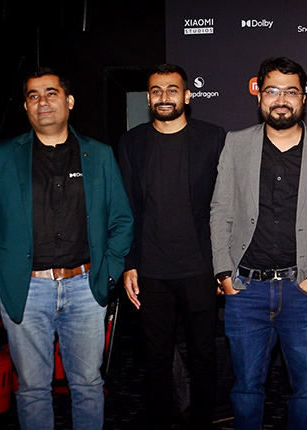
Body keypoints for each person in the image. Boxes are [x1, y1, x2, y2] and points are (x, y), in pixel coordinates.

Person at [0, 67, 133, 430]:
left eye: (51, 93)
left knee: (88, 385)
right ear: (26, 106)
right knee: (32, 390)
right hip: (25, 291)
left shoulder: (100, 155)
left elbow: (122, 220)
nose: (43, 102)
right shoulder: (0, 157)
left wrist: (108, 273)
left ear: (69, 101)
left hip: (86, 288)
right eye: (33, 96)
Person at [210, 57, 307, 430]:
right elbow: (221, 210)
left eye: (291, 91)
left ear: (304, 98)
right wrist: (224, 273)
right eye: (272, 90)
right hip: (245, 291)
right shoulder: (236, 144)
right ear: (259, 96)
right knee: (246, 389)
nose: (281, 99)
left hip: (303, 292)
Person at [117, 64, 225, 429]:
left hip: (200, 269)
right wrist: (130, 263)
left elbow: (225, 206)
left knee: (203, 358)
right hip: (151, 272)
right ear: (148, 99)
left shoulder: (213, 138)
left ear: (187, 96)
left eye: (172, 90)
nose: (164, 97)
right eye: (156, 91)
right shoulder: (131, 142)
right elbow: (127, 208)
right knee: (156, 361)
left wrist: (221, 264)